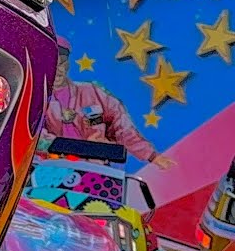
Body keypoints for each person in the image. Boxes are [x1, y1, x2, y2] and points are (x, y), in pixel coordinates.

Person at [41, 36, 175, 169]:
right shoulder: (37, 98)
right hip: (53, 169)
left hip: (97, 169)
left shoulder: (91, 91)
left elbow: (122, 125)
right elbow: (36, 137)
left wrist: (152, 155)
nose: (57, 68)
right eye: (51, 62)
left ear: (68, 64)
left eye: (61, 62)